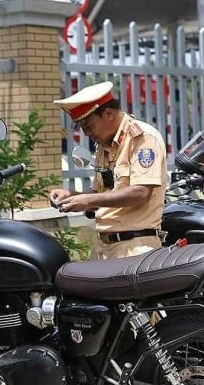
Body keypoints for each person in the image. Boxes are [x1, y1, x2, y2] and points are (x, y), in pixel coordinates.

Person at [49, 81, 168, 260]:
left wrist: (88, 200)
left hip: (135, 247)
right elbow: (102, 193)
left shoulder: (143, 138)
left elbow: (141, 192)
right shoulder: (104, 145)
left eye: (89, 126)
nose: (87, 133)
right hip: (104, 246)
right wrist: (72, 196)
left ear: (109, 114)